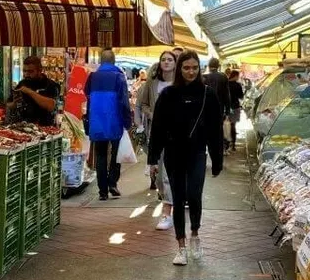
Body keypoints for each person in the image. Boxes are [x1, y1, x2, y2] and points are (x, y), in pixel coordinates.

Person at [147, 50, 224, 266]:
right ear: (180, 69)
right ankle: (181, 246)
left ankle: (195, 235)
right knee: (178, 198)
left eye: (194, 67)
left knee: (195, 195)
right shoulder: (168, 95)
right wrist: (152, 159)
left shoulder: (208, 95)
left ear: (200, 69)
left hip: (198, 152)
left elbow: (215, 130)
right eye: (186, 68)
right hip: (173, 154)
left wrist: (217, 160)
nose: (190, 72)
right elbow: (158, 129)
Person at [135, 50, 178, 231]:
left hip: (176, 134)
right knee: (159, 175)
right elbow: (142, 103)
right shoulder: (152, 83)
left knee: (167, 173)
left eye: (170, 59)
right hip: (157, 132)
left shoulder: (181, 83)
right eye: (163, 59)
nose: (166, 62)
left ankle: (166, 214)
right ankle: (169, 198)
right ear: (159, 63)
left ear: (175, 63)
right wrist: (151, 115)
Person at [84, 49, 132, 201]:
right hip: (115, 120)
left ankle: (102, 191)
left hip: (96, 121)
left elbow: (86, 95)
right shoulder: (119, 76)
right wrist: (127, 121)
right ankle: (112, 183)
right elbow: (124, 101)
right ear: (114, 61)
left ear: (100, 61)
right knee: (116, 154)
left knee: (100, 154)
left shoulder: (92, 76)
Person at [8, 55, 60, 126]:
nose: (26, 74)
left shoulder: (51, 85)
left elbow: (50, 106)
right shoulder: (22, 83)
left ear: (40, 70)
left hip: (46, 129)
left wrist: (29, 92)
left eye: (30, 71)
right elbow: (8, 104)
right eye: (24, 71)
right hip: (23, 128)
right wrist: (14, 103)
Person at [201, 57, 233, 150]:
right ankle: (217, 149)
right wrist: (227, 111)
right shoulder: (223, 77)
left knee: (205, 131)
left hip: (205, 110)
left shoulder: (204, 77)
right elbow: (227, 95)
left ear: (209, 66)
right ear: (218, 66)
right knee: (217, 133)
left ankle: (205, 149)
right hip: (219, 110)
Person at [227, 69, 245, 151]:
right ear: (235, 76)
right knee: (233, 126)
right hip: (235, 107)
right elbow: (241, 96)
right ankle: (233, 145)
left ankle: (226, 144)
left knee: (226, 125)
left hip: (227, 106)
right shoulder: (238, 85)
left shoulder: (225, 84)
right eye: (238, 76)